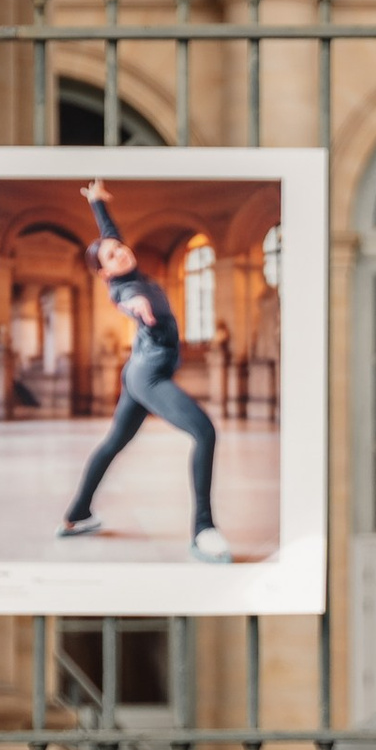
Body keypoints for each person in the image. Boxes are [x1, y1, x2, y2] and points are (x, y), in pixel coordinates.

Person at [58, 182, 232, 561]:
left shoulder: (120, 257)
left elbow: (109, 233)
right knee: (204, 432)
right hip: (148, 375)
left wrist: (97, 203)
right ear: (104, 274)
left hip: (137, 371)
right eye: (111, 256)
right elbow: (129, 303)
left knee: (112, 444)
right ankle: (203, 530)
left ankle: (77, 514)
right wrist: (139, 309)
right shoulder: (125, 291)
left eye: (118, 248)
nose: (119, 253)